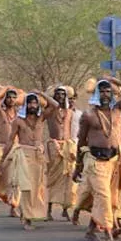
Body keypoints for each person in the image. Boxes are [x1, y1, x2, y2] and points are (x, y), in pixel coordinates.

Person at [72, 77, 121, 241]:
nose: (105, 94)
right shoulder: (88, 115)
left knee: (111, 199)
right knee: (103, 197)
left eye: (108, 91)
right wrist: (78, 166)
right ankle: (108, 232)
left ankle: (91, 230)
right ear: (96, 94)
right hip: (96, 162)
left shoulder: (118, 110)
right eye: (102, 91)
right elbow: (81, 141)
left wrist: (114, 80)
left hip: (114, 161)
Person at [2, 91, 58, 230]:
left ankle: (28, 214)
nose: (32, 105)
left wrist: (41, 94)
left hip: (38, 156)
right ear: (26, 105)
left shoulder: (41, 118)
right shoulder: (18, 121)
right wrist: (3, 160)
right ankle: (27, 219)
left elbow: (55, 105)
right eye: (30, 103)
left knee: (37, 188)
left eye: (35, 103)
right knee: (26, 187)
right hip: (24, 154)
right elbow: (10, 140)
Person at [45, 86, 77, 221]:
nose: (60, 96)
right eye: (57, 94)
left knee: (68, 179)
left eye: (63, 95)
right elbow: (53, 104)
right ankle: (48, 209)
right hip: (54, 146)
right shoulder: (50, 111)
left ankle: (65, 209)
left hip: (68, 146)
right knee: (52, 178)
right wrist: (42, 93)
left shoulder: (69, 112)